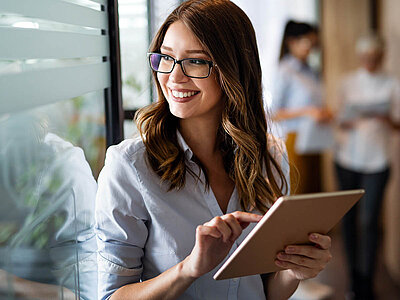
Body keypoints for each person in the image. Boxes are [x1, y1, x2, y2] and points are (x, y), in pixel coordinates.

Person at [95, 1, 332, 299]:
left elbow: (266, 290)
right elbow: (110, 296)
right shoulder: (129, 166)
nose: (174, 77)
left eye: (196, 61)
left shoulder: (269, 155)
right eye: (165, 58)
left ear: (234, 70)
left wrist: (295, 270)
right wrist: (189, 268)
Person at [334, 33, 400, 300]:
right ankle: (354, 279)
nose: (370, 61)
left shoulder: (393, 83)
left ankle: (367, 283)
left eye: (374, 57)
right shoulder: (347, 83)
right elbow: (337, 119)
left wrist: (386, 118)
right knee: (349, 221)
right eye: (365, 57)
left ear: (382, 56)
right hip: (347, 159)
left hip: (379, 161)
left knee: (370, 220)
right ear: (360, 57)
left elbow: (398, 124)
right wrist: (347, 117)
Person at [271, 20, 332, 194]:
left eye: (314, 43)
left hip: (314, 137)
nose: (311, 47)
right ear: (292, 42)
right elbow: (274, 113)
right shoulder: (286, 71)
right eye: (308, 42)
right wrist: (308, 112)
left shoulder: (311, 71)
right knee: (298, 192)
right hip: (294, 139)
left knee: (314, 192)